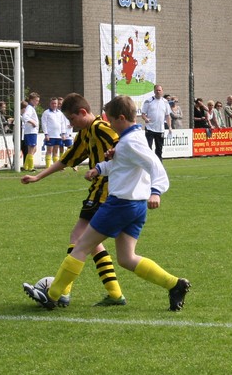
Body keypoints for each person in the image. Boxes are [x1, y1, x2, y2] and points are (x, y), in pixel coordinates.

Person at [29, 94, 191, 312]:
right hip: (136, 206)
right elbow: (122, 164)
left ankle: (53, 295)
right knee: (127, 258)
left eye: (111, 120)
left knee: (81, 245)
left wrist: (156, 192)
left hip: (120, 204)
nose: (110, 125)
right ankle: (174, 285)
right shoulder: (130, 139)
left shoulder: (130, 141)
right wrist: (100, 168)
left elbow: (155, 165)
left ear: (121, 118)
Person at [21, 92, 124, 307]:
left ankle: (61, 292)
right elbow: (68, 159)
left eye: (72, 119)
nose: (70, 124)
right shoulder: (86, 132)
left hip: (105, 191)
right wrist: (38, 177)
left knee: (78, 236)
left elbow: (125, 144)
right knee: (92, 243)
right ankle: (115, 295)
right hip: (98, 191)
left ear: (83, 112)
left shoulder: (100, 128)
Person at [140, 84, 172, 160]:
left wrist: (170, 127)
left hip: (160, 129)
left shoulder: (165, 102)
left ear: (162, 91)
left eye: (159, 90)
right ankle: (149, 164)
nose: (158, 92)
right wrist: (146, 119)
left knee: (159, 150)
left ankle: (159, 164)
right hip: (150, 128)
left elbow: (168, 116)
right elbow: (143, 114)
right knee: (148, 148)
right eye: (156, 90)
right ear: (154, 91)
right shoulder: (148, 101)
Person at [41, 96, 63, 168]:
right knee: (49, 151)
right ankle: (48, 166)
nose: (54, 105)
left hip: (58, 135)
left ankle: (55, 167)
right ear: (50, 104)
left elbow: (62, 123)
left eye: (55, 103)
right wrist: (46, 134)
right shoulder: (46, 112)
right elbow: (44, 124)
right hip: (50, 135)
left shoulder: (60, 113)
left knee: (56, 151)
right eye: (53, 103)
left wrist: (63, 133)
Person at [20, 92, 40, 171]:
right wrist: (32, 122)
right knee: (31, 149)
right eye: (36, 100)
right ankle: (31, 167)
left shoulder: (31, 108)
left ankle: (26, 166)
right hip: (31, 131)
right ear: (31, 100)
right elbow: (25, 117)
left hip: (32, 132)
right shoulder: (29, 108)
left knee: (33, 149)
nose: (37, 102)